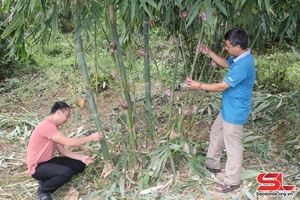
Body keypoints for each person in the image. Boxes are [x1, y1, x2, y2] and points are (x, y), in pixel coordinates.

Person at [186, 28, 255, 193]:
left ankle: (232, 181)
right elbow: (225, 63)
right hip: (228, 108)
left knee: (233, 146)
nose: (226, 49)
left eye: (227, 46)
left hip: (235, 111)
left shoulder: (243, 65)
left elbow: (222, 86)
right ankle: (213, 165)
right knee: (216, 133)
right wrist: (209, 52)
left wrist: (199, 86)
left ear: (237, 46)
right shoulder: (240, 57)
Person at [26, 101, 104, 200]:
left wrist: (82, 158)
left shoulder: (53, 127)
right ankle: (43, 190)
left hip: (49, 161)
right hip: (37, 167)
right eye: (67, 116)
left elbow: (62, 150)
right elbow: (68, 142)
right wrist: (91, 138)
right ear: (58, 112)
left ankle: (47, 179)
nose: (67, 119)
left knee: (80, 165)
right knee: (65, 172)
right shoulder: (46, 125)